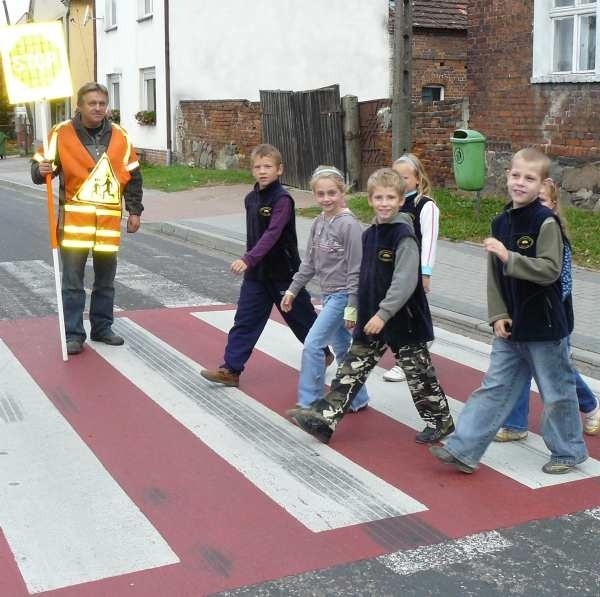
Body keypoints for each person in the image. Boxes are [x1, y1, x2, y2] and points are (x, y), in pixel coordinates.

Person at [430, 148, 588, 475]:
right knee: (494, 388)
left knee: (556, 393)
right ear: (507, 177)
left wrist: (509, 257)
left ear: (542, 183)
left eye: (529, 178)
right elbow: (493, 275)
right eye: (515, 175)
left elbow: (550, 271)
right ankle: (463, 448)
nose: (520, 182)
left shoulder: (546, 222)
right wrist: (497, 314)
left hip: (544, 327)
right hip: (510, 327)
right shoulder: (500, 221)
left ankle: (569, 451)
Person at [289, 168, 454, 444]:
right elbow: (363, 278)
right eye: (379, 197)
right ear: (369, 200)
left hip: (404, 320)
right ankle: (324, 418)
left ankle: (440, 421)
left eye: (390, 197)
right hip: (372, 318)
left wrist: (383, 313)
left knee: (419, 375)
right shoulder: (370, 235)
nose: (384, 203)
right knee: (351, 369)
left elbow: (404, 283)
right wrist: (355, 310)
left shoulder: (404, 236)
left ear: (401, 200)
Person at [201, 144, 332, 388]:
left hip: (285, 274)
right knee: (246, 320)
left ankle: (323, 352)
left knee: (300, 317)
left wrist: (247, 259)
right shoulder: (251, 199)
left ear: (279, 170)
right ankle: (231, 369)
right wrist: (250, 261)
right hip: (257, 275)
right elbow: (255, 236)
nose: (262, 171)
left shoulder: (283, 199)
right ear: (252, 170)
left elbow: (272, 235)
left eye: (268, 167)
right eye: (258, 167)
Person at [31, 82, 143, 355]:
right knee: (72, 282)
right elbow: (38, 170)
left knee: (105, 281)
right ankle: (73, 334)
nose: (97, 108)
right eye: (91, 103)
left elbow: (134, 175)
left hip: (107, 224)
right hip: (74, 224)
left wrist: (135, 210)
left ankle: (102, 327)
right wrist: (41, 169)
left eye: (102, 103)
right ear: (79, 106)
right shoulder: (60, 134)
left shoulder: (121, 136)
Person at [495, 178, 599, 441]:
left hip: (552, 318)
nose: (535, 205)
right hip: (521, 314)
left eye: (541, 200)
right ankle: (516, 424)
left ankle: (590, 405)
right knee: (520, 368)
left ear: (552, 206)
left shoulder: (556, 238)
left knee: (558, 371)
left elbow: (561, 283)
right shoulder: (518, 230)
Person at [281, 165, 369, 412]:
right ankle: (358, 399)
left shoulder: (348, 225)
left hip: (343, 296)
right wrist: (293, 290)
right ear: (314, 194)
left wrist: (352, 306)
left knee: (312, 344)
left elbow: (356, 268)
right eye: (320, 194)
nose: (326, 198)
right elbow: (309, 261)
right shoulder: (319, 222)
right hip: (328, 294)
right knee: (342, 347)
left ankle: (309, 402)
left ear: (342, 192)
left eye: (332, 193)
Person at [383, 153, 440, 383]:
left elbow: (429, 240)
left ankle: (405, 362)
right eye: (396, 176)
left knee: (403, 313)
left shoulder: (425, 205)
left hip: (413, 269)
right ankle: (422, 342)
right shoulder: (392, 203)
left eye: (405, 177)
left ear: (417, 179)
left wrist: (425, 272)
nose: (400, 181)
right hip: (393, 268)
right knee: (406, 312)